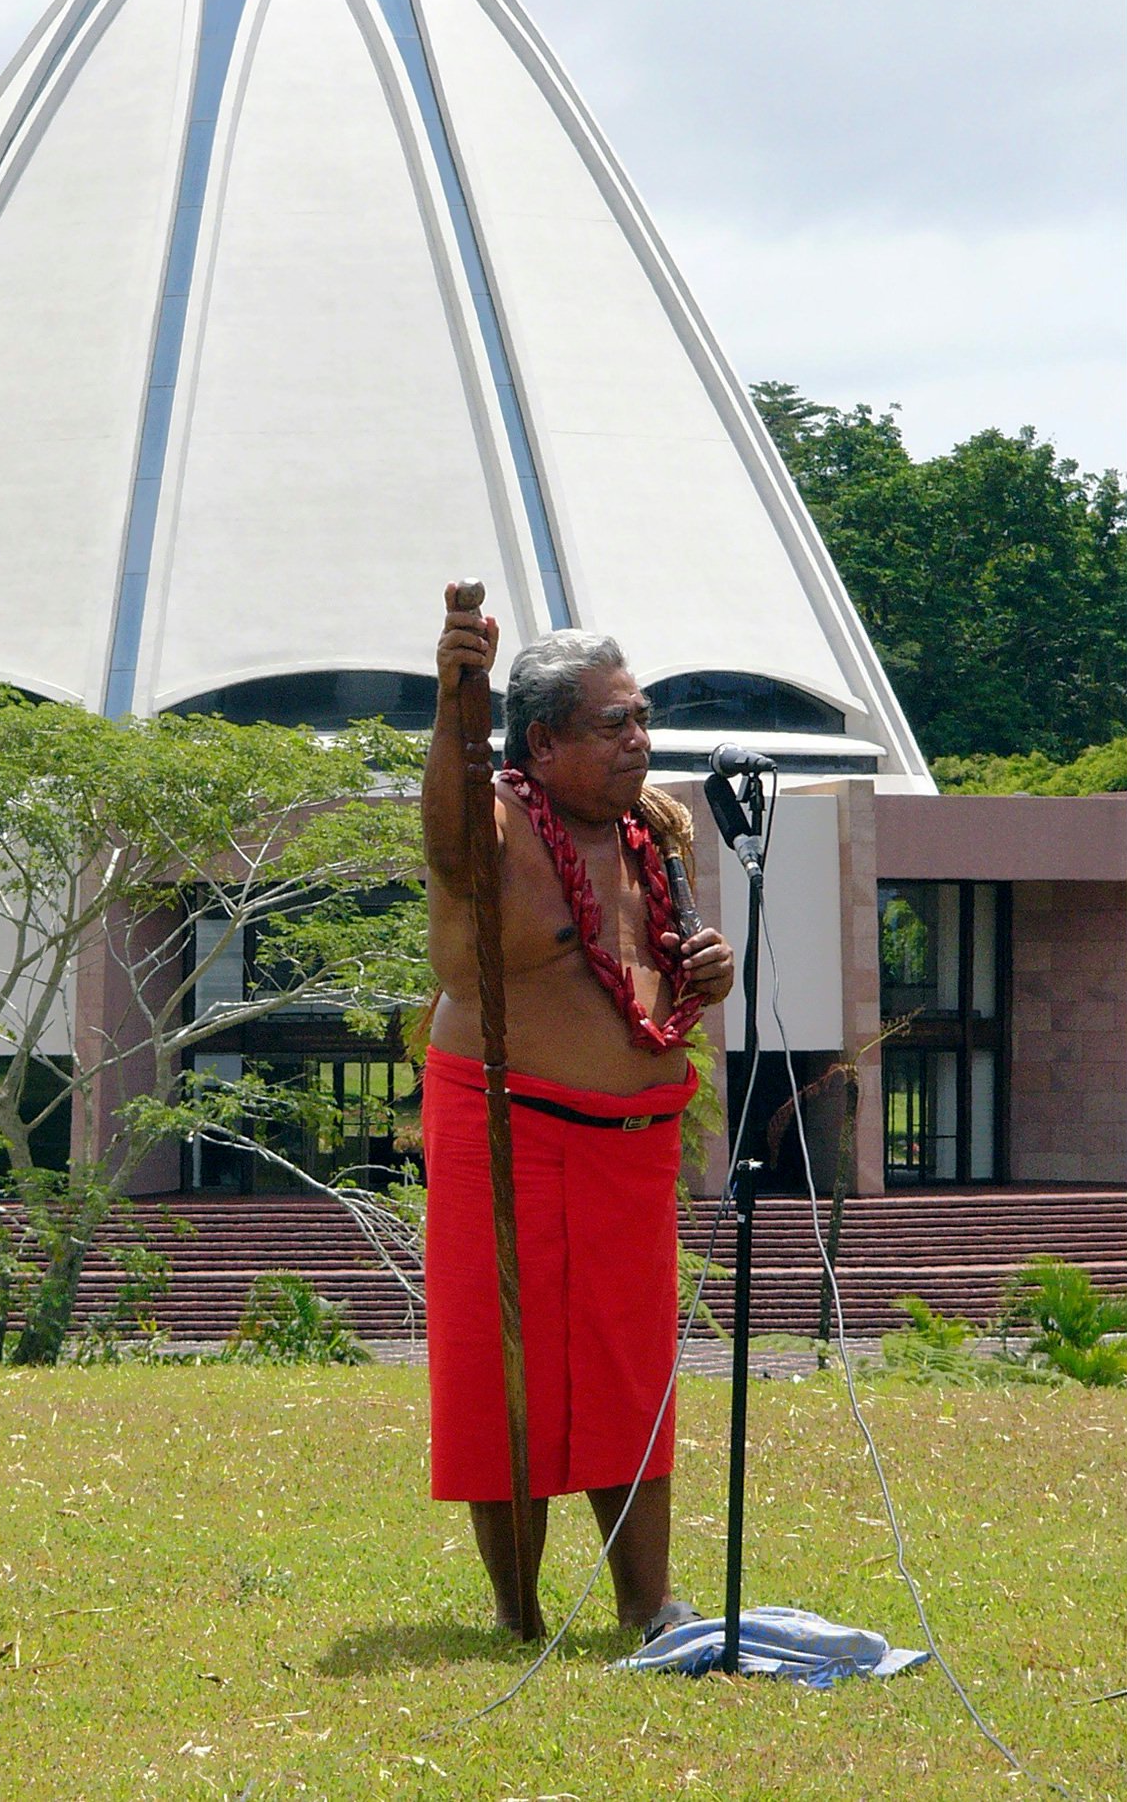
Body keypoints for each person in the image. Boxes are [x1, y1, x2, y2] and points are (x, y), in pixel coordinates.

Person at [422, 585, 736, 1641]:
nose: (639, 741)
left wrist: (710, 971)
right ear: (545, 741)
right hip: (505, 1129)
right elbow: (449, 818)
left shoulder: (660, 831)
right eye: (615, 724)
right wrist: (459, 692)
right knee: (501, 1363)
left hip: (632, 1150)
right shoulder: (496, 823)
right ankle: (517, 1614)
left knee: (628, 1368)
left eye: (644, 718)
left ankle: (648, 1605)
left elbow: (663, 976)